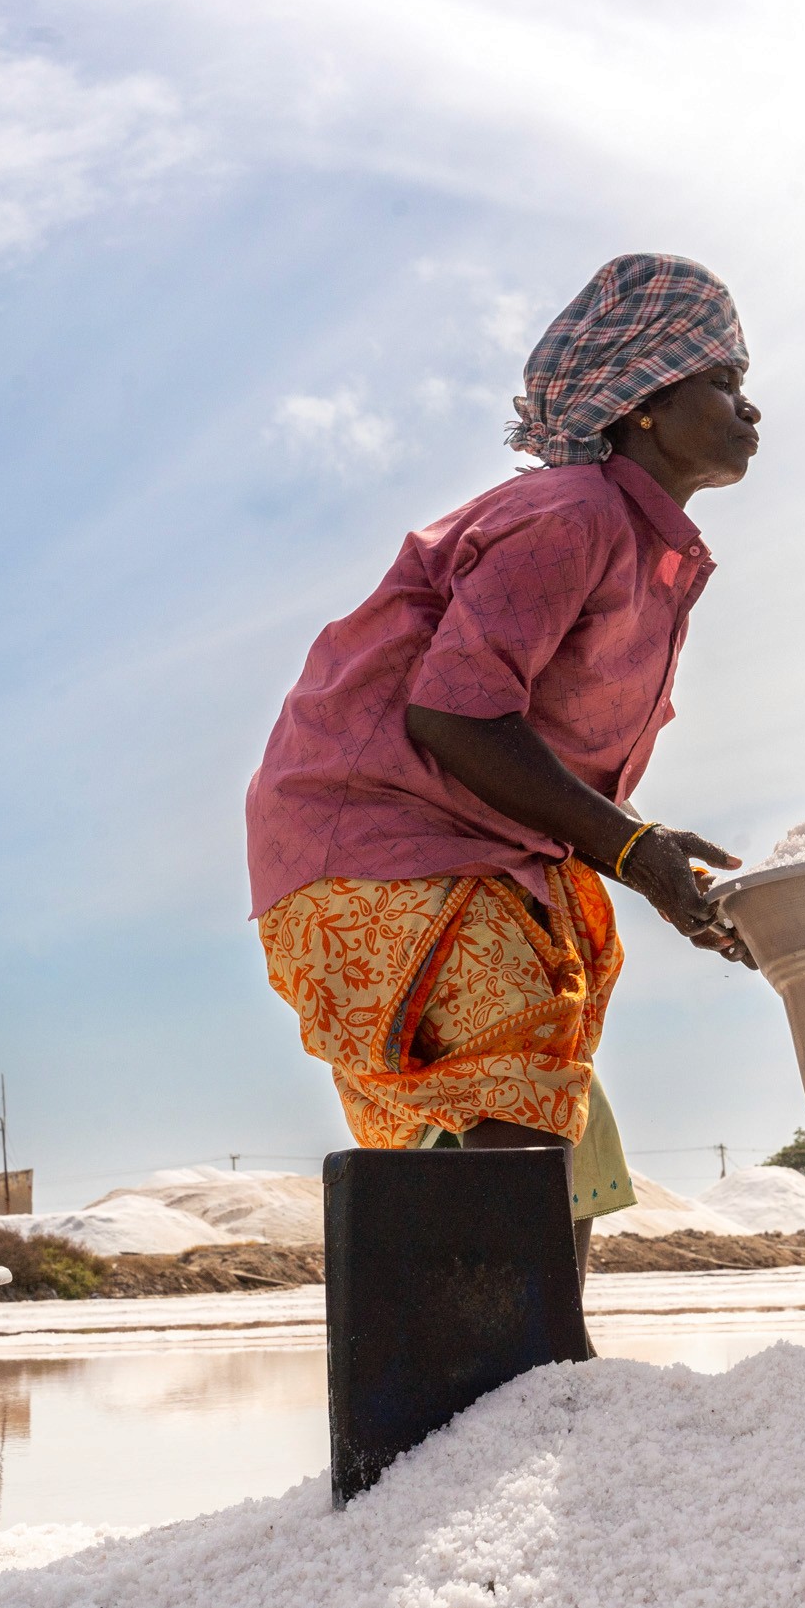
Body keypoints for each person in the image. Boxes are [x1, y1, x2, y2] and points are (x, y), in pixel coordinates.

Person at [245, 252, 761, 1288]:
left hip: (469, 848)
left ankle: (542, 1376)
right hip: (378, 841)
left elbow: (536, 760)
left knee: (567, 1134)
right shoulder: (570, 514)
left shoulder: (634, 540)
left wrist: (654, 865)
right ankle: (495, 1385)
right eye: (723, 383)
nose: (751, 410)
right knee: (519, 1096)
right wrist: (632, 847)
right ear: (644, 404)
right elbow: (453, 713)